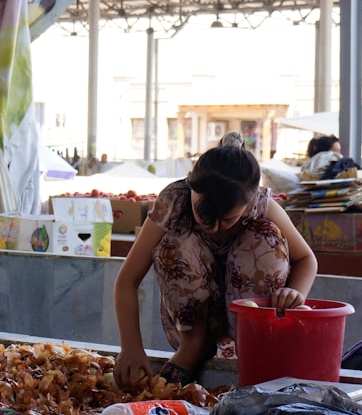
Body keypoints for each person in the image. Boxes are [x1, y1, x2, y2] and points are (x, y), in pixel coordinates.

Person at [113, 132, 318, 389]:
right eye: (203, 214)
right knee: (174, 241)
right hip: (192, 321)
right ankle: (193, 347)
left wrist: (294, 293)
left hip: (251, 323)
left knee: (265, 237)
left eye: (227, 220)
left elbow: (306, 259)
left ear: (249, 201)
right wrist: (131, 348)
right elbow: (127, 279)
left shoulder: (262, 205)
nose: (213, 228)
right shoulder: (173, 202)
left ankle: (254, 347)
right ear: (190, 185)